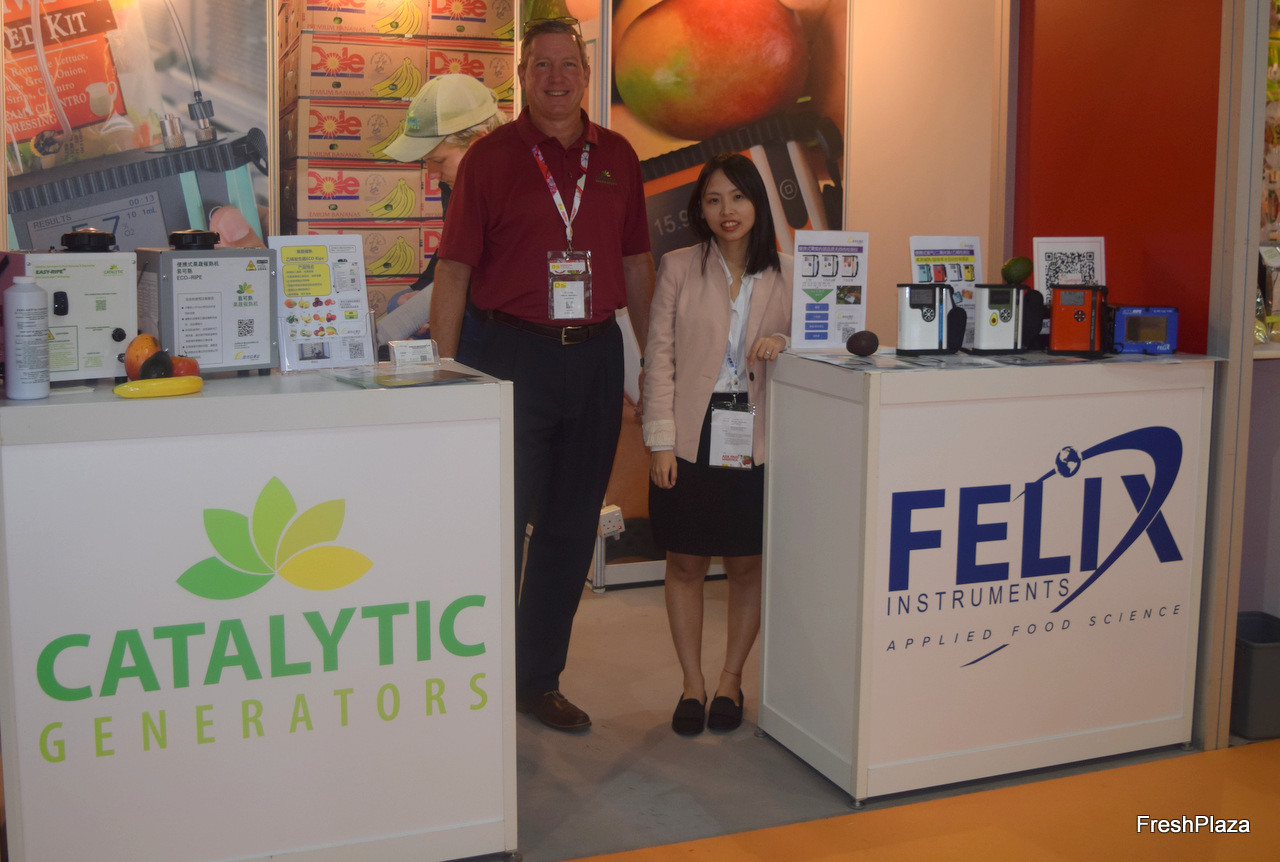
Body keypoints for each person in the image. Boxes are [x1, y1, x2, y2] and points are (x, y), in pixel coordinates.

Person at [431, 18, 654, 731]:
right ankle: (479, 678)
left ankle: (536, 680)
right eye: (542, 66)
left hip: (594, 356)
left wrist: (653, 359)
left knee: (568, 526)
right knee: (498, 524)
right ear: (522, 77)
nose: (556, 78)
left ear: (586, 75)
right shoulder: (490, 159)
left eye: (568, 65)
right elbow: (454, 271)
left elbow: (637, 265)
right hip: (511, 355)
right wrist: (444, 372)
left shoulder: (618, 156)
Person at [641, 153, 793, 736]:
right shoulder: (678, 267)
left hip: (757, 435)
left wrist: (785, 340)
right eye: (713, 199)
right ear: (699, 210)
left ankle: (730, 680)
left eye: (738, 196)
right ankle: (692, 684)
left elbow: (830, 341)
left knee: (747, 564)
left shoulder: (790, 273)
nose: (727, 210)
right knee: (685, 561)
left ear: (758, 203)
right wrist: (660, 442)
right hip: (690, 433)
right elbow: (659, 357)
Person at [375, 74, 505, 362]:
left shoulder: (521, 187)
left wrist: (440, 306)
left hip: (503, 327)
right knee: (398, 303)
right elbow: (452, 253)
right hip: (470, 301)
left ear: (480, 142)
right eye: (426, 161)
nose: (432, 173)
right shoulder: (456, 181)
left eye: (439, 160)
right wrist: (420, 292)